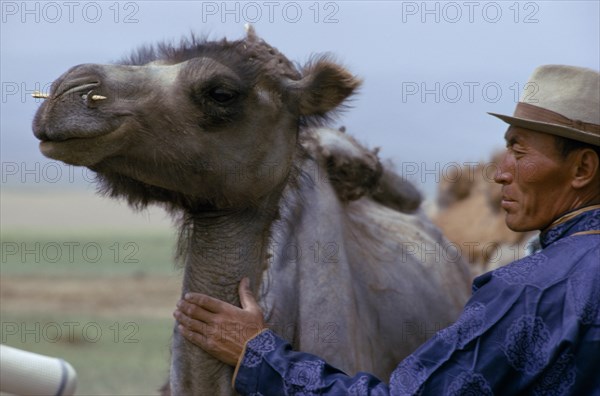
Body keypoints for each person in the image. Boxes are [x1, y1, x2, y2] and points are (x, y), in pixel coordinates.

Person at [173, 65, 600, 395]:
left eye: (518, 151)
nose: (501, 172)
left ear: (582, 168)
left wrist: (259, 355)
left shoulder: (531, 292)